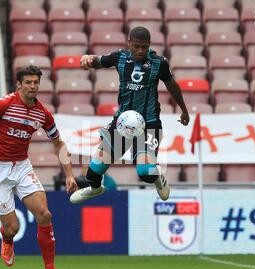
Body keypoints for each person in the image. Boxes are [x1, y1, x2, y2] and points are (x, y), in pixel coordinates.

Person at [0, 65, 78, 269]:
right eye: (28, 82)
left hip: (22, 168)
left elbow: (59, 143)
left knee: (44, 215)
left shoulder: (42, 113)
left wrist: (69, 174)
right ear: (19, 84)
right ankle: (7, 238)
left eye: (36, 82)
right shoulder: (4, 104)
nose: (32, 86)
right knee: (13, 228)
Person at [70, 26, 189, 204]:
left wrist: (184, 109)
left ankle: (157, 177)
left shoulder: (159, 63)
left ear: (149, 45)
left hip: (149, 124)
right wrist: (87, 59)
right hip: (123, 124)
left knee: (145, 173)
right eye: (137, 46)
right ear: (129, 44)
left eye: (144, 47)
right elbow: (99, 61)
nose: (140, 51)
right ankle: (95, 189)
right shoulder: (120, 58)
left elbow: (172, 84)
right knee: (93, 172)